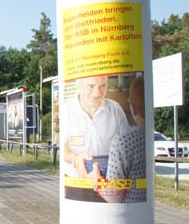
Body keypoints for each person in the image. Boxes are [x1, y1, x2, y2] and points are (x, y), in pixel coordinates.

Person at [91, 75, 146, 203]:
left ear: (133, 108)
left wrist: (96, 177)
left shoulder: (124, 141)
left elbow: (113, 195)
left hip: (129, 213)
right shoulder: (150, 137)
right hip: (146, 211)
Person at [61, 75, 128, 178]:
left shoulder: (115, 109)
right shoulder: (66, 110)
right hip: (76, 180)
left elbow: (127, 145)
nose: (97, 93)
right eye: (91, 86)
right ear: (79, 87)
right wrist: (76, 159)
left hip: (110, 181)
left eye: (103, 86)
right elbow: (61, 148)